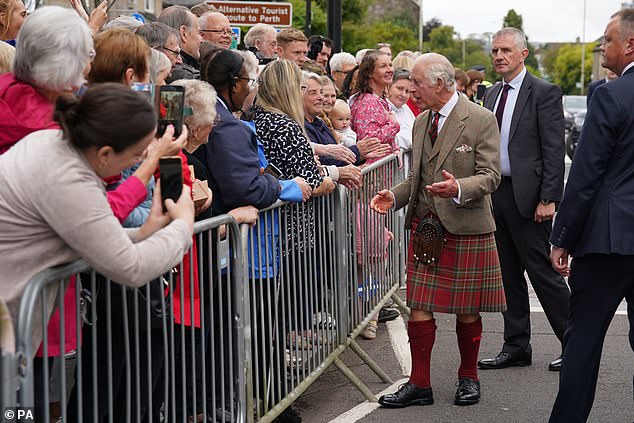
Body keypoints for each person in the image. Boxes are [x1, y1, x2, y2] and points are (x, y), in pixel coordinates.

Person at [0, 82, 194, 351]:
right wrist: (184, 225)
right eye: (137, 155)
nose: (138, 163)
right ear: (104, 154)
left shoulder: (50, 145)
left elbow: (88, 234)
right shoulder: (69, 179)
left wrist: (142, 233)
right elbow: (131, 267)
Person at [371, 52, 505, 408]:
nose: (411, 89)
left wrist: (458, 188)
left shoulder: (481, 119)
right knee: (418, 304)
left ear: (441, 84)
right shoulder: (420, 121)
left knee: (467, 309)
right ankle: (420, 384)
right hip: (426, 227)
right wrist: (394, 196)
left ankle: (468, 377)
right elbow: (418, 177)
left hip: (466, 227)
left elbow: (490, 176)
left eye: (417, 83)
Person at [548, 8, 634, 422]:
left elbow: (585, 174)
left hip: (608, 241)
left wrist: (561, 237)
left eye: (608, 40)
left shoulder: (610, 95)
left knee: (582, 341)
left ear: (629, 44)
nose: (603, 48)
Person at [477, 27, 570, 373]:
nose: (498, 56)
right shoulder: (490, 94)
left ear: (523, 54)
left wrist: (549, 198)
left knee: (543, 273)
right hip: (495, 193)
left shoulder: (543, 92)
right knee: (506, 275)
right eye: (495, 50)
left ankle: (574, 343)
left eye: (505, 50)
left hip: (530, 198)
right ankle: (516, 345)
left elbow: (553, 149)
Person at [350, 50, 400, 163]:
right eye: (383, 66)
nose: (389, 70)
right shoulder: (367, 103)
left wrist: (395, 149)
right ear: (369, 73)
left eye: (390, 65)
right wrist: (393, 124)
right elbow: (369, 140)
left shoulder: (378, 99)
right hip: (374, 174)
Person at [158, 5, 202, 82]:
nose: (202, 40)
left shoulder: (157, 67)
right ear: (184, 33)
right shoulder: (190, 78)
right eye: (199, 33)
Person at [386, 68, 415, 172]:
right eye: (399, 88)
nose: (403, 94)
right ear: (389, 86)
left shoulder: (406, 109)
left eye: (407, 91)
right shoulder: (382, 108)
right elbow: (393, 139)